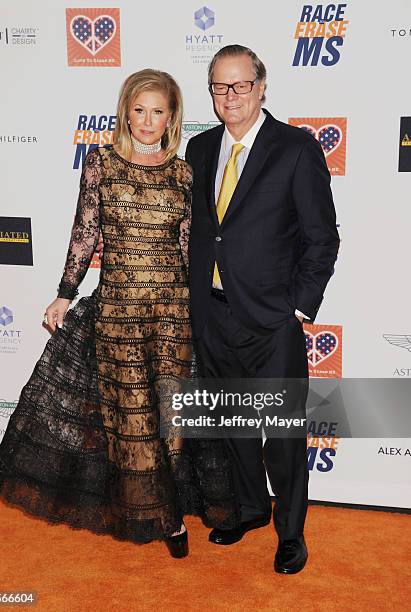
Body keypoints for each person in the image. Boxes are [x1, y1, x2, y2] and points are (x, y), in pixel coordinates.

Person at [0, 69, 238, 559]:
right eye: (138, 110)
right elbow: (85, 232)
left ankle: (165, 506)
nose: (147, 121)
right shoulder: (100, 164)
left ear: (172, 117)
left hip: (173, 312)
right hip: (118, 313)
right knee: (132, 421)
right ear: (126, 111)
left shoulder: (184, 173)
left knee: (172, 419)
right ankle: (165, 518)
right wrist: (65, 291)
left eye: (157, 111)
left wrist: (213, 307)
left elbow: (190, 249)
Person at [185, 45, 340, 573]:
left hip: (273, 320)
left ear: (261, 86)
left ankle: (291, 533)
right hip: (213, 314)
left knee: (284, 433)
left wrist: (298, 307)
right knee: (232, 424)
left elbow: (323, 238)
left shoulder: (296, 149)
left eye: (239, 85)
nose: (229, 97)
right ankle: (249, 509)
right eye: (218, 87)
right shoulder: (200, 149)